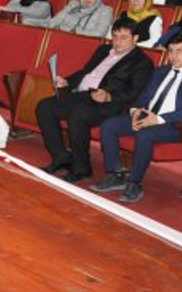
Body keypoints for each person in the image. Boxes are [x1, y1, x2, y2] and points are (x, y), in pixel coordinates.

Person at [94, 32, 182, 203]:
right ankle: (116, 174)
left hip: (175, 125)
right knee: (109, 125)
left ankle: (134, 183)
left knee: (145, 134)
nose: (174, 56)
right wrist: (135, 111)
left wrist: (158, 119)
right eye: (171, 51)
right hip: (147, 116)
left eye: (179, 51)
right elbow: (144, 97)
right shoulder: (160, 71)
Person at [37, 18, 154, 182]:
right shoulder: (103, 49)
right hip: (83, 95)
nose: (117, 42)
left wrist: (109, 96)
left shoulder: (142, 62)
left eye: (123, 37)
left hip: (108, 104)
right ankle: (62, 157)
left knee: (77, 114)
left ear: (135, 39)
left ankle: (82, 168)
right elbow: (85, 71)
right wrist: (68, 82)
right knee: (45, 107)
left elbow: (133, 93)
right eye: (115, 36)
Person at [47, 0, 114, 37]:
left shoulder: (105, 10)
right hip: (60, 36)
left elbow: (100, 33)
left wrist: (75, 32)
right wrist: (57, 28)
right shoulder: (73, 4)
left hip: (83, 43)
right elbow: (53, 22)